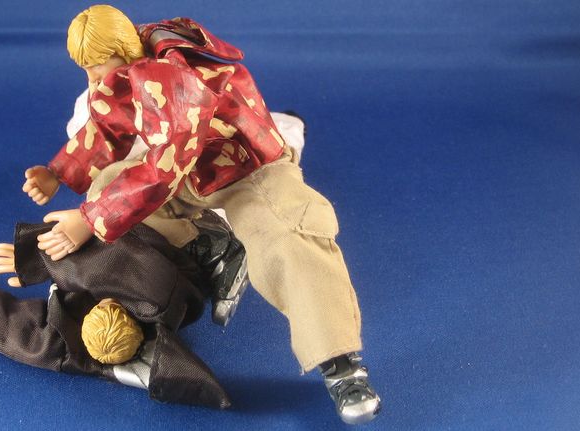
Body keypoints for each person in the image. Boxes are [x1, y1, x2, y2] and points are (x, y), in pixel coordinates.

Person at [20, 5, 380, 424]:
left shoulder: (174, 79)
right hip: (191, 175)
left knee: (289, 237)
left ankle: (341, 365)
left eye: (96, 66)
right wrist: (58, 171)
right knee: (106, 188)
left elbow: (162, 169)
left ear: (119, 50)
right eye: (85, 69)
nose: (92, 78)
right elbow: (108, 127)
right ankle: (213, 247)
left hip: (245, 169)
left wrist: (89, 219)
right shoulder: (127, 70)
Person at [0, 219, 232, 409]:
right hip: (164, 245)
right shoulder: (153, 294)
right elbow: (108, 261)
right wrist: (39, 257)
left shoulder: (70, 349)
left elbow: (5, 330)